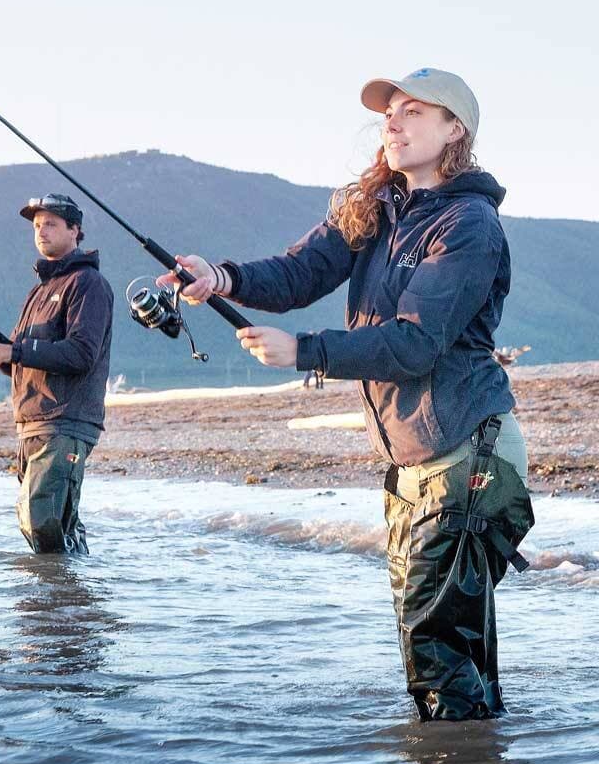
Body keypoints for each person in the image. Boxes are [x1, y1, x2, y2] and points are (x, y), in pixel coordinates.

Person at [159, 68, 534, 720]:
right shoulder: (374, 213)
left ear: (455, 131)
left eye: (415, 111)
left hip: (470, 458)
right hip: (413, 467)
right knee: (453, 650)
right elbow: (299, 273)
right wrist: (220, 278)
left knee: (435, 651)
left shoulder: (468, 224)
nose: (394, 121)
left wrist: (305, 352)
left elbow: (414, 343)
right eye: (391, 112)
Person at [0, 192, 114, 555]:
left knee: (40, 518)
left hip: (65, 422)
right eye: (36, 225)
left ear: (75, 231)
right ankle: (69, 597)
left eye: (50, 223)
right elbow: (22, 358)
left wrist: (13, 349)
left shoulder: (87, 284)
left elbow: (81, 353)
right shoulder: (39, 291)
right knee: (52, 522)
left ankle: (59, 602)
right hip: (32, 423)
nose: (41, 231)